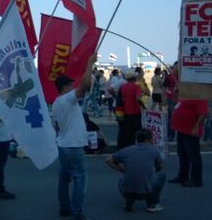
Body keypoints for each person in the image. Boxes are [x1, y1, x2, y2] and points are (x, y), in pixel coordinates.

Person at [52, 53, 97, 220]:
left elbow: (56, 127)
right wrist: (89, 63)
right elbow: (85, 84)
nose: (73, 86)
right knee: (80, 179)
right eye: (71, 84)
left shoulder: (57, 103)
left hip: (63, 144)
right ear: (65, 86)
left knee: (64, 178)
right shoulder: (67, 100)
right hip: (73, 146)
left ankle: (64, 208)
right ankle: (77, 212)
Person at [106, 129, 165, 213]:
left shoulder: (127, 150)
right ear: (147, 139)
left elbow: (108, 160)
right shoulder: (153, 150)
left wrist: (123, 170)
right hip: (146, 192)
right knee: (162, 175)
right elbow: (160, 168)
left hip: (126, 191)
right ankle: (152, 203)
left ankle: (129, 202)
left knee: (122, 180)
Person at [169, 99, 208, 187]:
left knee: (194, 156)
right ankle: (182, 176)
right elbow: (176, 102)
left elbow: (203, 114)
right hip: (181, 129)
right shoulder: (186, 94)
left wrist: (196, 127)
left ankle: (196, 180)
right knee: (182, 154)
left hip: (190, 131)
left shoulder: (200, 97)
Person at [117, 69, 145, 149]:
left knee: (127, 131)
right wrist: (143, 107)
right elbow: (138, 99)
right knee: (136, 131)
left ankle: (126, 147)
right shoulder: (137, 87)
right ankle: (136, 147)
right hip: (135, 112)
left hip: (125, 112)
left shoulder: (123, 87)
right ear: (135, 78)